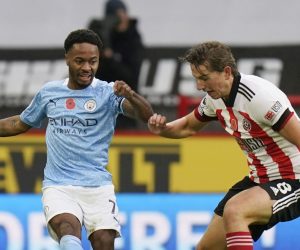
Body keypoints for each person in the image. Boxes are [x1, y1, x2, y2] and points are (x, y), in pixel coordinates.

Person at [0, 29, 153, 250]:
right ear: (67, 59)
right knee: (67, 227)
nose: (87, 68)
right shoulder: (50, 93)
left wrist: (130, 94)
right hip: (59, 186)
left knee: (104, 241)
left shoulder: (107, 92)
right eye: (80, 61)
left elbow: (146, 114)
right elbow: (18, 123)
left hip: (98, 186)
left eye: (93, 61)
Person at [148, 41, 300, 250]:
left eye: (204, 78)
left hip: (293, 179)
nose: (199, 86)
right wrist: (162, 129)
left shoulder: (259, 97)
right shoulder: (215, 98)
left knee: (235, 210)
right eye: (196, 79)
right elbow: (187, 127)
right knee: (207, 248)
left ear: (227, 72)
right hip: (259, 181)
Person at [88, 0, 144, 130]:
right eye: (115, 15)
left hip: (125, 109)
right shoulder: (101, 35)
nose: (119, 19)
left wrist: (111, 58)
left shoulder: (133, 38)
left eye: (122, 14)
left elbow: (131, 77)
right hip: (100, 108)